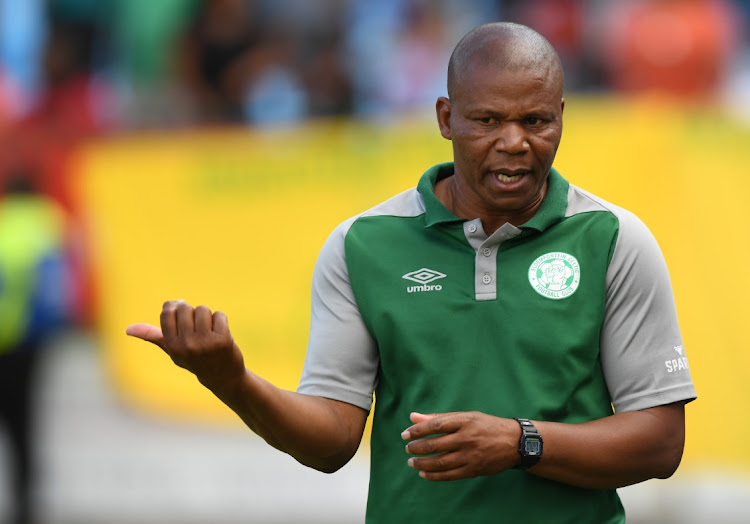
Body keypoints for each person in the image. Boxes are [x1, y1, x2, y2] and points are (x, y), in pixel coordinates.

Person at [126, 22, 696, 523]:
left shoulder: (615, 240)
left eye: (536, 120)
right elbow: (331, 440)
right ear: (446, 119)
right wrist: (233, 382)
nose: (515, 142)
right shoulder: (364, 246)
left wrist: (520, 442)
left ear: (562, 117)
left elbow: (661, 443)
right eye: (488, 119)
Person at [0, 173, 72, 524]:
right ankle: (25, 507)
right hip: (32, 342)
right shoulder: (52, 225)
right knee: (24, 424)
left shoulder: (5, 227)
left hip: (5, 337)